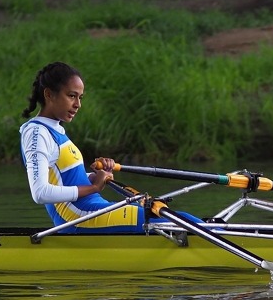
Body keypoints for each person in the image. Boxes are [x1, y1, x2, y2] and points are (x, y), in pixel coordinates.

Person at [20, 62, 198, 233]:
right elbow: (40, 193)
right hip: (78, 217)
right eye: (72, 96)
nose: (78, 104)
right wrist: (94, 187)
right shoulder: (37, 133)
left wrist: (94, 177)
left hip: (91, 210)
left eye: (80, 98)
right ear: (49, 94)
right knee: (180, 222)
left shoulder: (54, 129)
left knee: (178, 218)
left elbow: (63, 179)